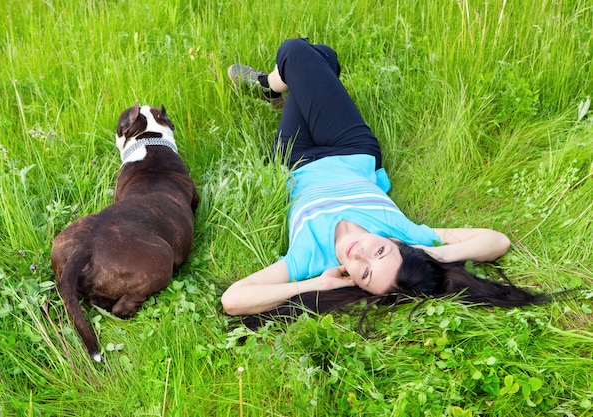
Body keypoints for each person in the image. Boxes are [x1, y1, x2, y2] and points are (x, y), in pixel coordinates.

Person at [221, 38, 551, 326]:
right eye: (380, 250)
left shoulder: (311, 258)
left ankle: (272, 84)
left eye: (364, 272)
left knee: (308, 55)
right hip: (351, 146)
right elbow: (497, 241)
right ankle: (280, 82)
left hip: (297, 157)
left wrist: (316, 285)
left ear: (356, 283)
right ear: (395, 245)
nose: (361, 253)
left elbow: (234, 300)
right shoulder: (405, 233)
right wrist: (432, 253)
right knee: (307, 55)